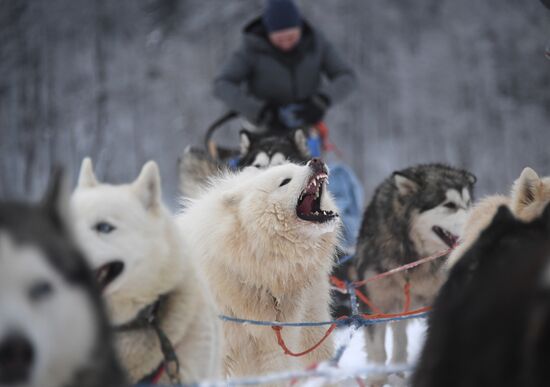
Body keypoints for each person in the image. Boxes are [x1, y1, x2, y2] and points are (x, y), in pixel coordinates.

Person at [213, 0, 357, 132]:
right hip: (261, 129)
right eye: (279, 39)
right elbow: (222, 85)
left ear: (299, 29)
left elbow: (346, 77)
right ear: (268, 33)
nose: (286, 43)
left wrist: (322, 101)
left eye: (291, 37)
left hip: (306, 128)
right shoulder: (251, 49)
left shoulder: (317, 44)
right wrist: (258, 110)